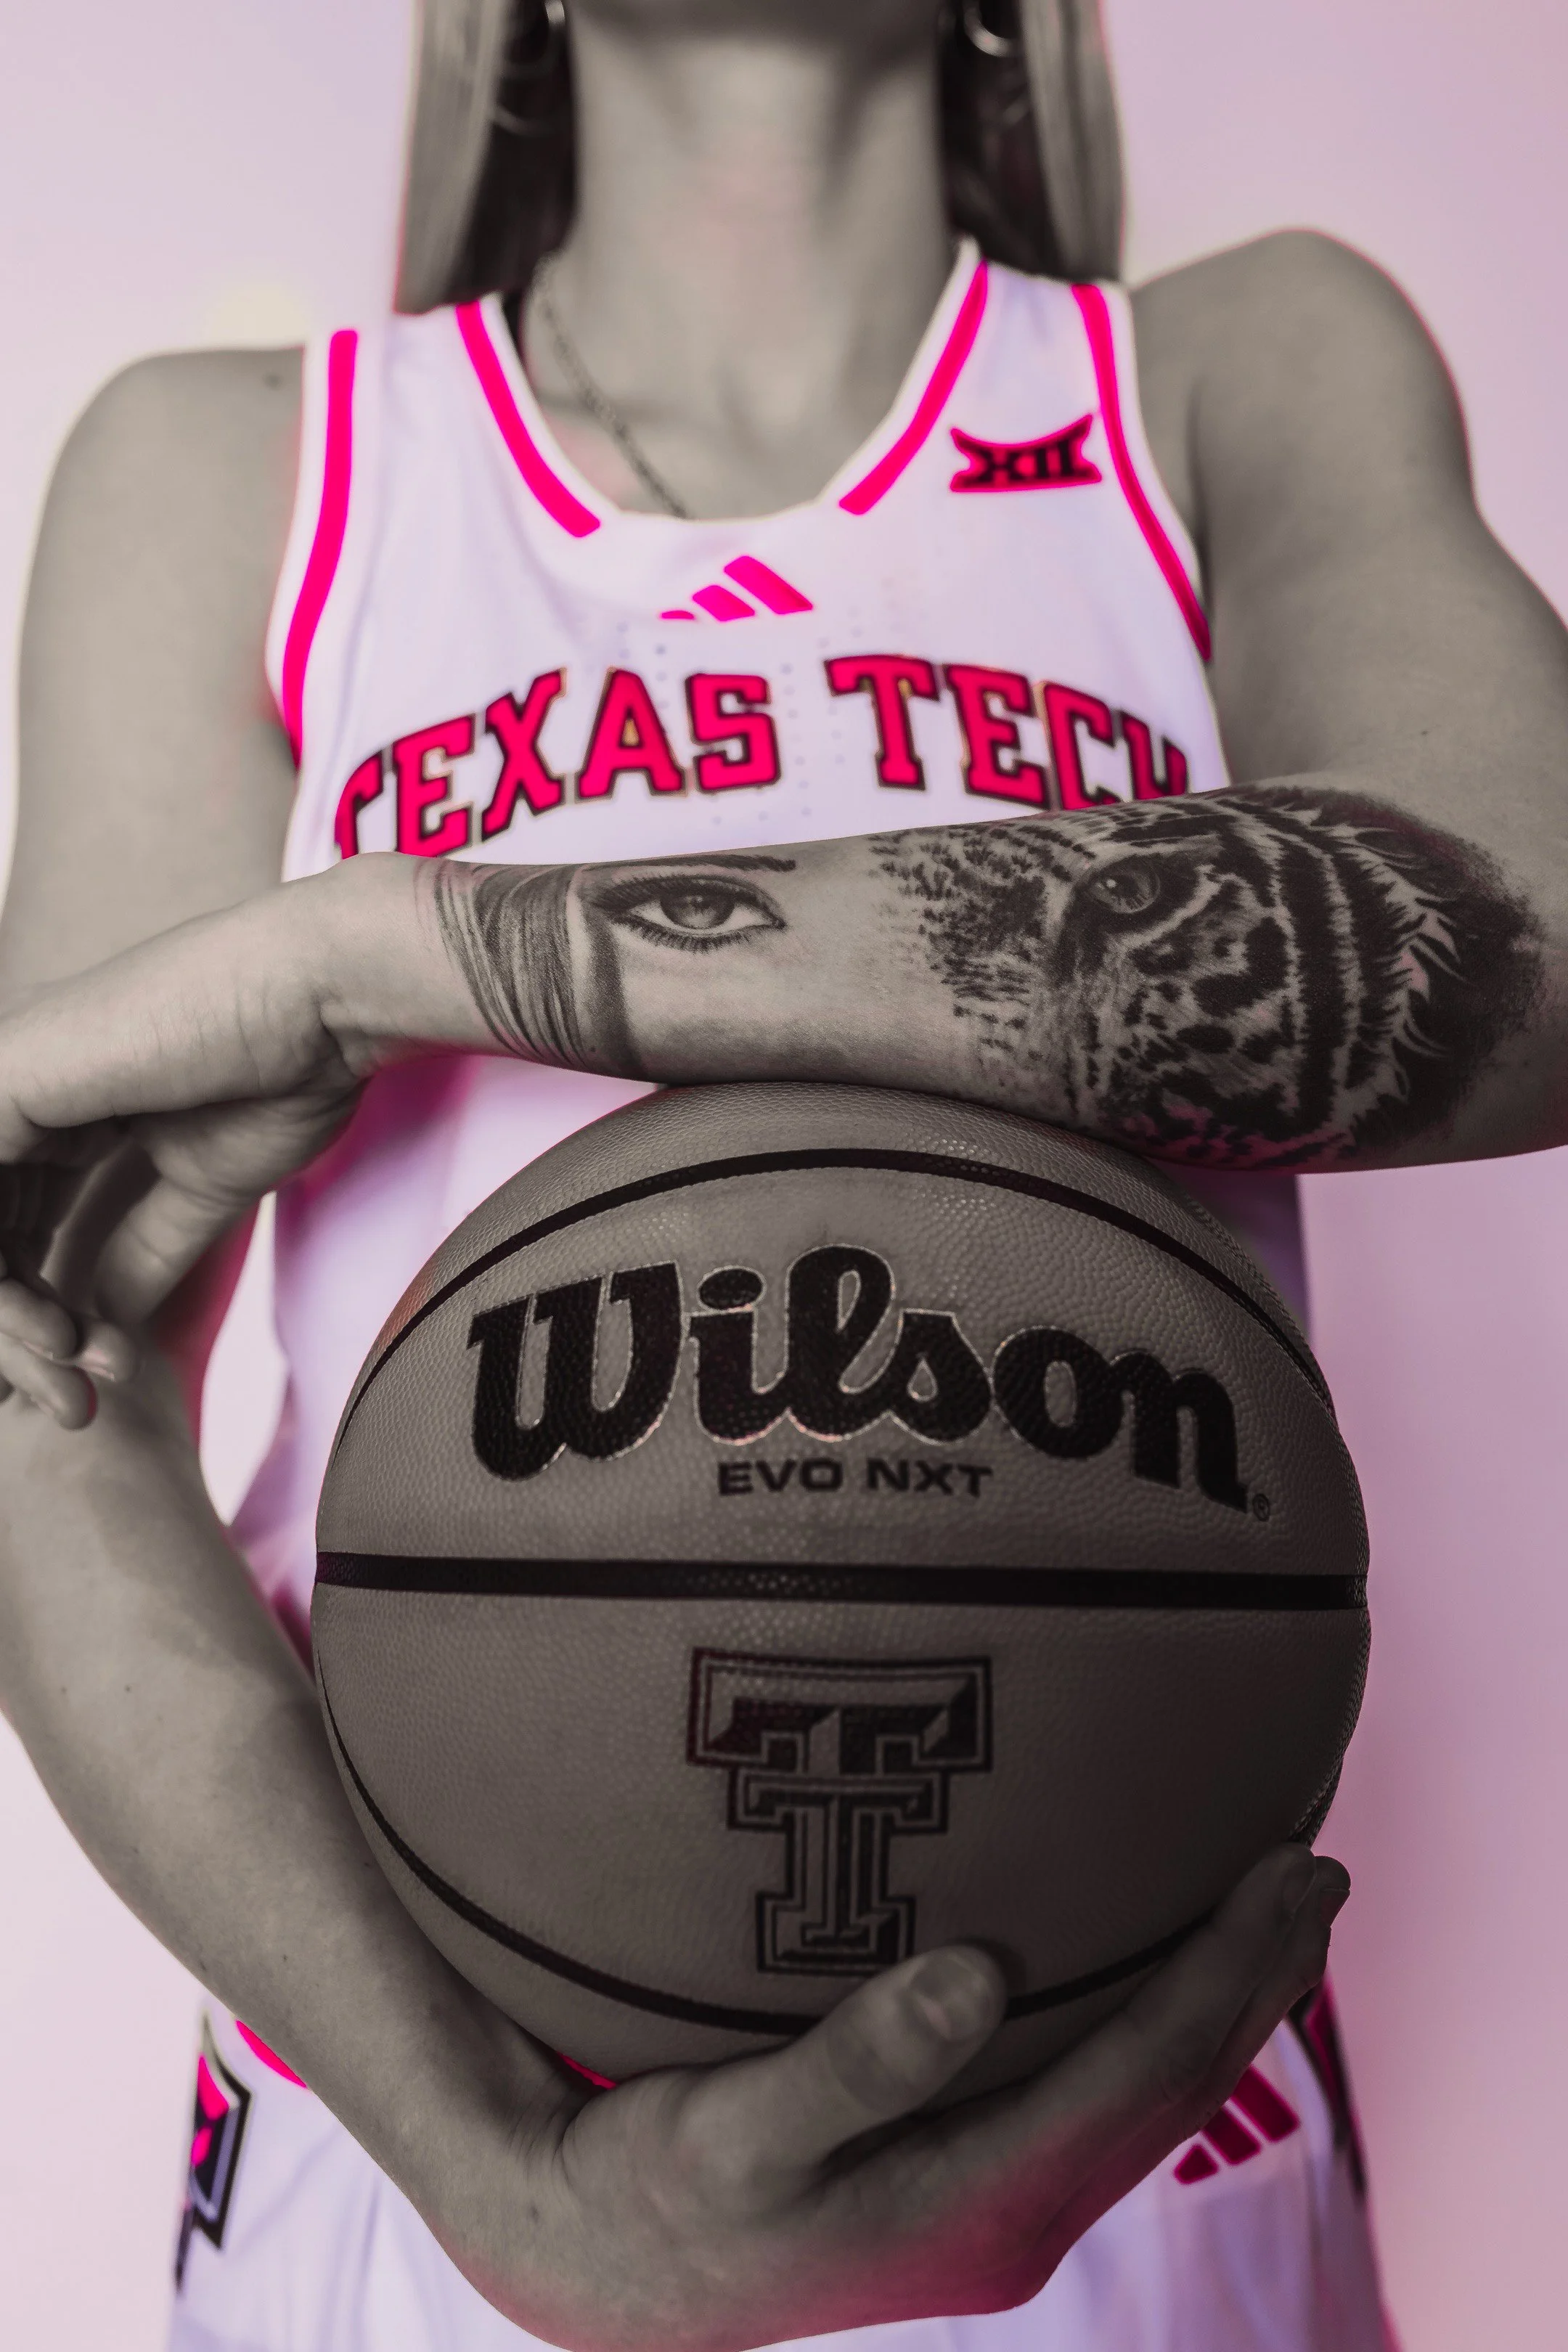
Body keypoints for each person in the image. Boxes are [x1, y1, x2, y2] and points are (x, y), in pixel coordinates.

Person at [1, 0, 1564, 2344]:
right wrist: (499, 2173)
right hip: (415, 2145)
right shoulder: (244, 467)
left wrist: (393, 947)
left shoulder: (1227, 378)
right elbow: (42, 1374)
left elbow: (1514, 939)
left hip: (1137, 2142)